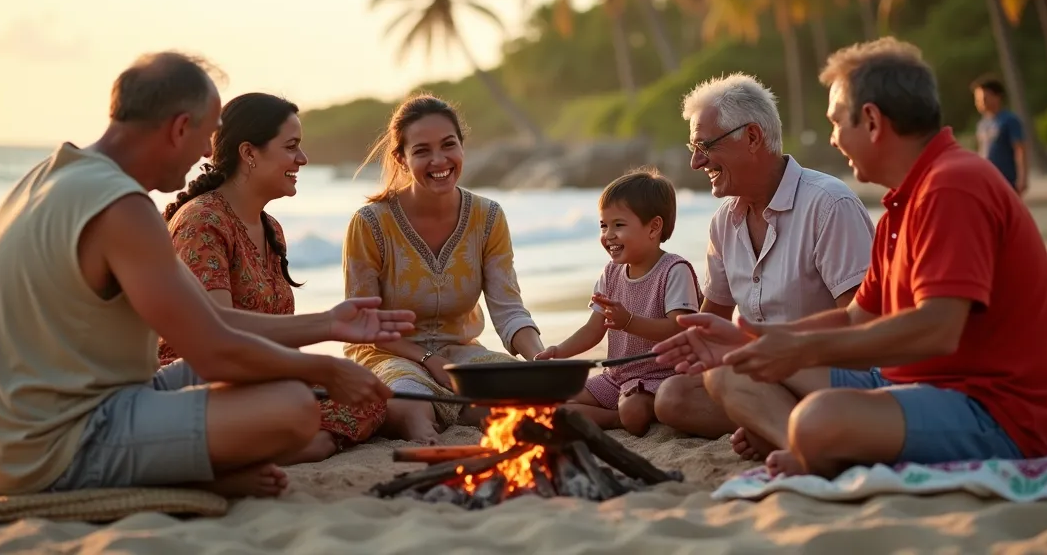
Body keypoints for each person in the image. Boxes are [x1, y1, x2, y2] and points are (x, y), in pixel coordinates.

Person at [0, 52, 412, 498]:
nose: (209, 151)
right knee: (292, 407)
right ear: (179, 128)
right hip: (48, 446)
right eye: (207, 135)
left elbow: (213, 320)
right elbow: (215, 353)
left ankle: (190, 471)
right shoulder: (123, 207)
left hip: (27, 430)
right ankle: (186, 479)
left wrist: (329, 323)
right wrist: (325, 369)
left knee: (286, 387)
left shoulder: (52, 176)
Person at [654, 37, 1047, 480]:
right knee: (730, 373)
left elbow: (939, 329)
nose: (833, 139)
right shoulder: (904, 202)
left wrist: (797, 349)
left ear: (871, 121)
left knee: (817, 419)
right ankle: (810, 443)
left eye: (836, 122)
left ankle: (808, 444)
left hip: (989, 410)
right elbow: (856, 318)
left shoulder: (953, 185)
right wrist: (751, 340)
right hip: (910, 383)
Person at [156, 92, 387, 463]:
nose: (303, 158)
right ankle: (288, 445)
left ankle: (298, 442)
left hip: (262, 375)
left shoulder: (271, 228)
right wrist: (326, 327)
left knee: (368, 398)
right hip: (201, 381)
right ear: (249, 153)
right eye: (291, 147)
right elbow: (216, 331)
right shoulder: (203, 221)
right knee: (322, 405)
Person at [652, 72, 875, 454]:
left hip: (830, 372)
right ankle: (778, 424)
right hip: (767, 374)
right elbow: (711, 324)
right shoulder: (724, 222)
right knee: (672, 396)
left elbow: (862, 330)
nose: (695, 161)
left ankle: (791, 433)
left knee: (724, 381)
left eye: (705, 145)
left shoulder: (829, 204)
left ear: (752, 137)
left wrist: (770, 350)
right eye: (693, 147)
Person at [342, 94, 546, 444]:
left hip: (462, 356)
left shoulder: (488, 217)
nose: (439, 160)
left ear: (462, 146)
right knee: (412, 401)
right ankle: (426, 433)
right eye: (422, 151)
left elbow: (509, 310)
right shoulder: (370, 224)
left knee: (528, 392)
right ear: (401, 158)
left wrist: (541, 360)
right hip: (388, 355)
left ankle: (460, 411)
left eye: (448, 145)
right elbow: (366, 326)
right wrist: (427, 360)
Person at [535, 168, 701, 436]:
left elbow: (680, 328)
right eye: (603, 225)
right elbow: (593, 329)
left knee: (633, 411)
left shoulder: (673, 270)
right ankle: (614, 414)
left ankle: (616, 419)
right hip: (616, 378)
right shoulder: (611, 274)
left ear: (654, 227)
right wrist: (558, 351)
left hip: (662, 377)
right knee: (553, 400)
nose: (608, 234)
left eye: (619, 225)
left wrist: (629, 322)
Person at [973, 75, 1028, 195]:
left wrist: (1022, 177)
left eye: (984, 98)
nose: (980, 103)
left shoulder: (1009, 120)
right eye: (977, 100)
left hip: (1006, 179)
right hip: (987, 179)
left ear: (997, 96)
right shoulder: (982, 125)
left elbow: (1020, 149)